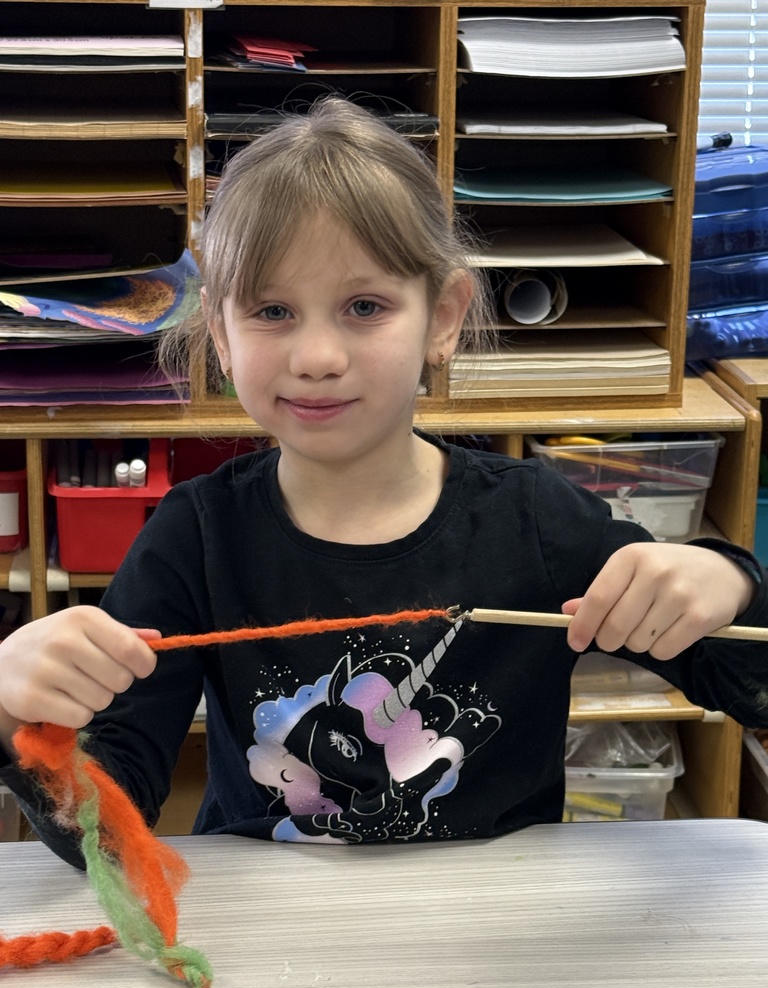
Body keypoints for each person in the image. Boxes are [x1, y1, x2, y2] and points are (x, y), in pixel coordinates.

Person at [1, 97, 767, 864]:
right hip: (276, 928)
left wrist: (724, 581)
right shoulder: (195, 535)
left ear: (443, 318)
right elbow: (102, 832)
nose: (318, 357)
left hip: (490, 926)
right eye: (272, 310)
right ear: (222, 339)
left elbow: (747, 677)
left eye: (364, 306)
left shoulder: (533, 519)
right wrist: (17, 716)